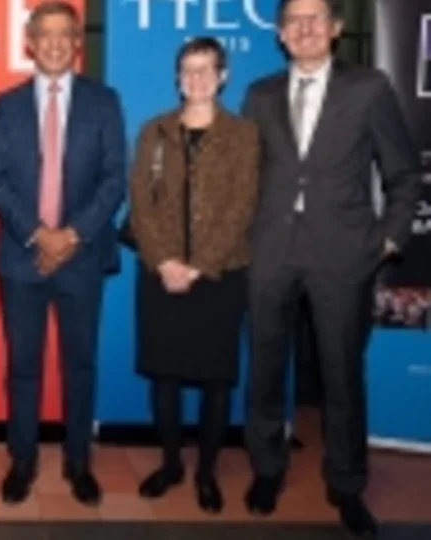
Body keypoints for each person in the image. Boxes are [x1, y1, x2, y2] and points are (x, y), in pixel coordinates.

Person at [242, 0, 421, 535]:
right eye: (294, 20)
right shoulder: (260, 95)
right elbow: (246, 176)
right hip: (270, 253)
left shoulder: (369, 88)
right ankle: (267, 469)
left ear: (336, 30)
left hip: (343, 257)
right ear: (280, 34)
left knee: (343, 375)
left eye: (315, 18)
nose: (304, 28)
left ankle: (346, 484)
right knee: (267, 370)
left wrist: (388, 238)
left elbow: (404, 176)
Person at [0, 1, 126, 506]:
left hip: (82, 256)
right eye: (45, 34)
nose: (55, 43)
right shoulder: (5, 105)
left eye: (65, 34)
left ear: (77, 42)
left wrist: (70, 236)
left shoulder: (103, 101)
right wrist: (39, 235)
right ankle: (22, 460)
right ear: (29, 41)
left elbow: (114, 179)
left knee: (79, 364)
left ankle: (78, 461)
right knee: (23, 366)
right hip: (22, 257)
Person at [130, 37, 258, 514]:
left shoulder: (244, 135)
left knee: (216, 380)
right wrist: (165, 261)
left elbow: (241, 207)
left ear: (223, 76)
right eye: (188, 69)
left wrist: (199, 266)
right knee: (164, 376)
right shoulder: (154, 132)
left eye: (206, 69)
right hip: (160, 273)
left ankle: (206, 471)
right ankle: (169, 464)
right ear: (177, 77)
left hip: (220, 275)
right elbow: (140, 203)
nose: (197, 78)